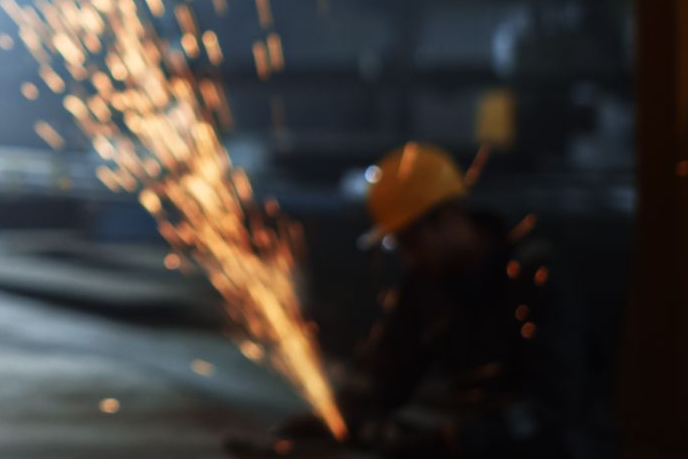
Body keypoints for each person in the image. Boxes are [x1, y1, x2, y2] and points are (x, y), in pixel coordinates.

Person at [236, 143, 578, 459]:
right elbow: (387, 370)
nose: (409, 258)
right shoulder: (428, 282)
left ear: (448, 217)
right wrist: (341, 417)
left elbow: (553, 406)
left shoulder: (534, 278)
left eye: (411, 242)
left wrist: (451, 441)